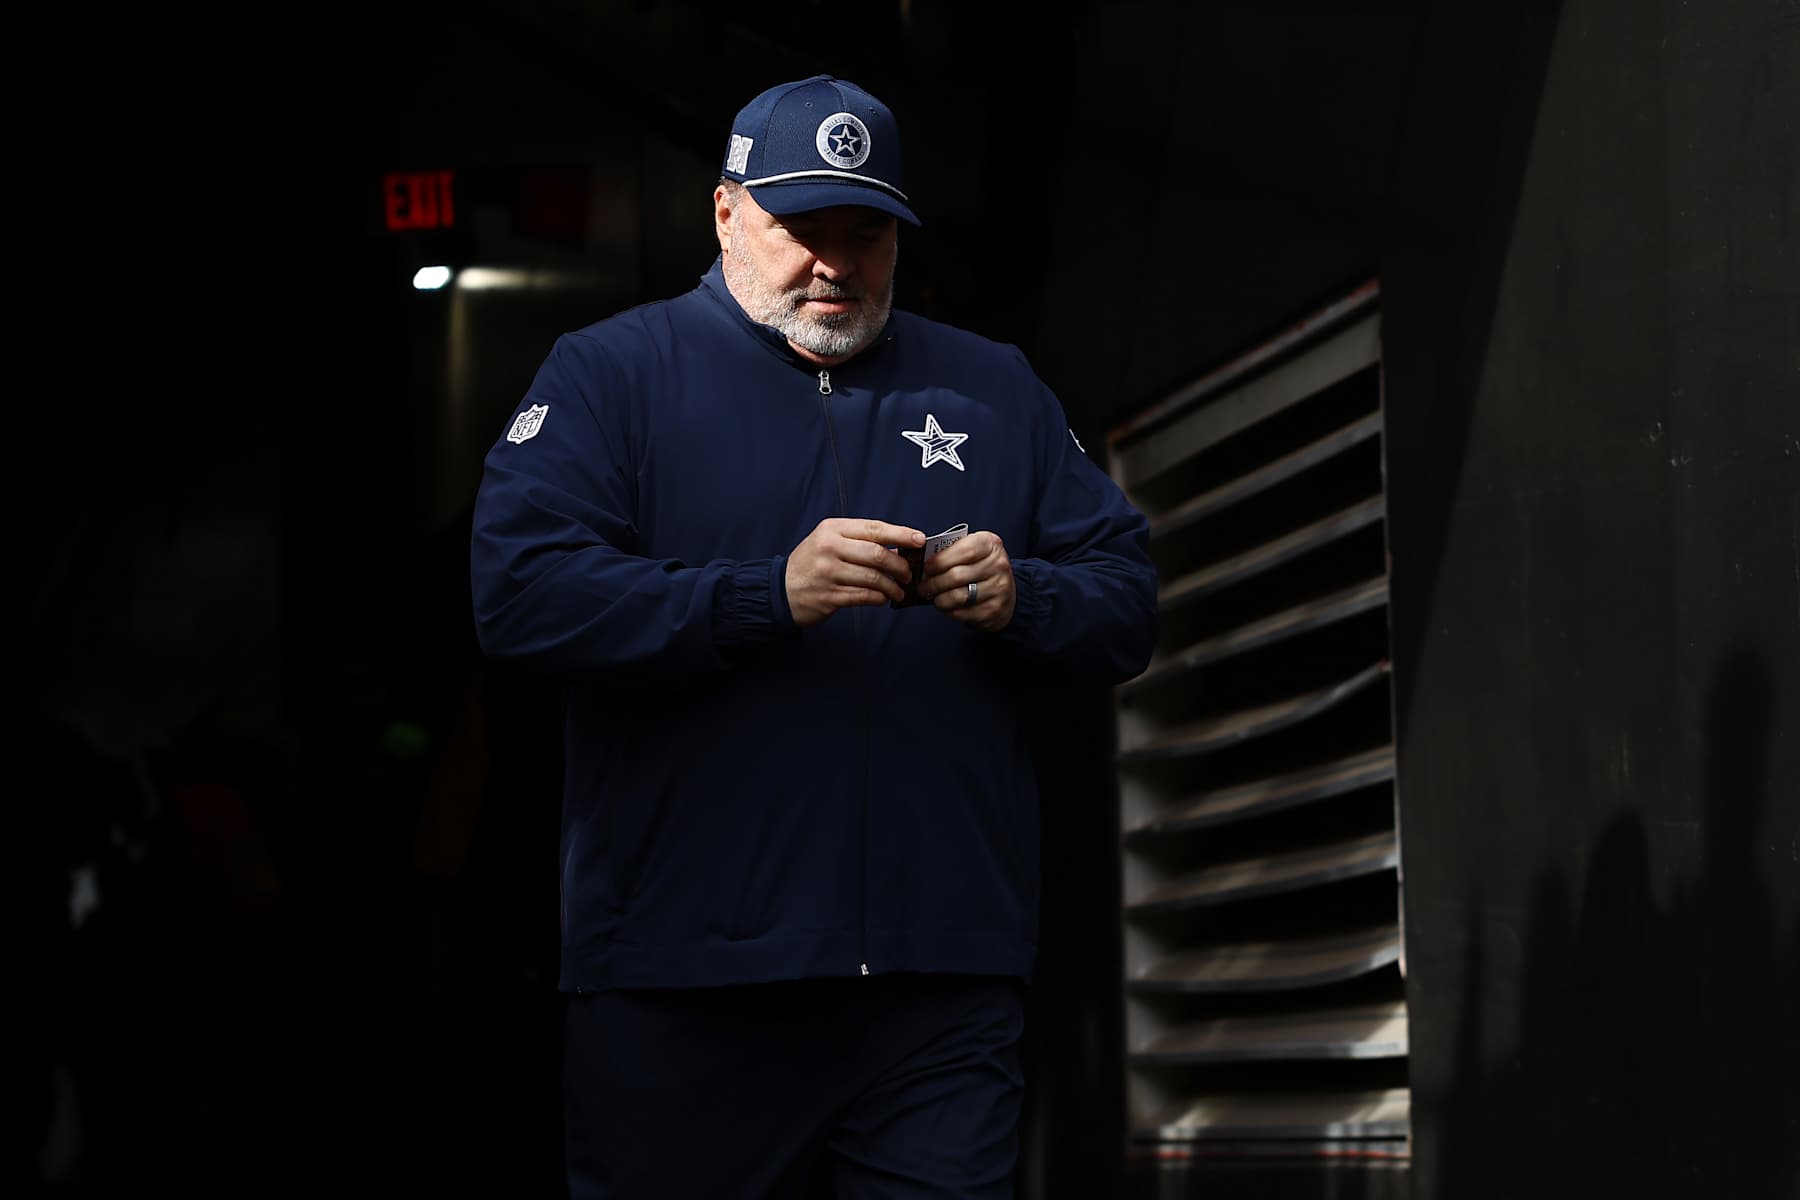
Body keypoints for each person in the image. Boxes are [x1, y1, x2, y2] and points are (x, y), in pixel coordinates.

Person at [468, 73, 1158, 1199]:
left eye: (866, 231)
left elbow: (1127, 596)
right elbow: (521, 594)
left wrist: (1025, 595)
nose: (834, 262)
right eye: (802, 228)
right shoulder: (610, 376)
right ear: (728, 213)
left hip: (940, 985)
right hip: (685, 985)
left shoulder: (993, 388)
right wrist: (765, 596)